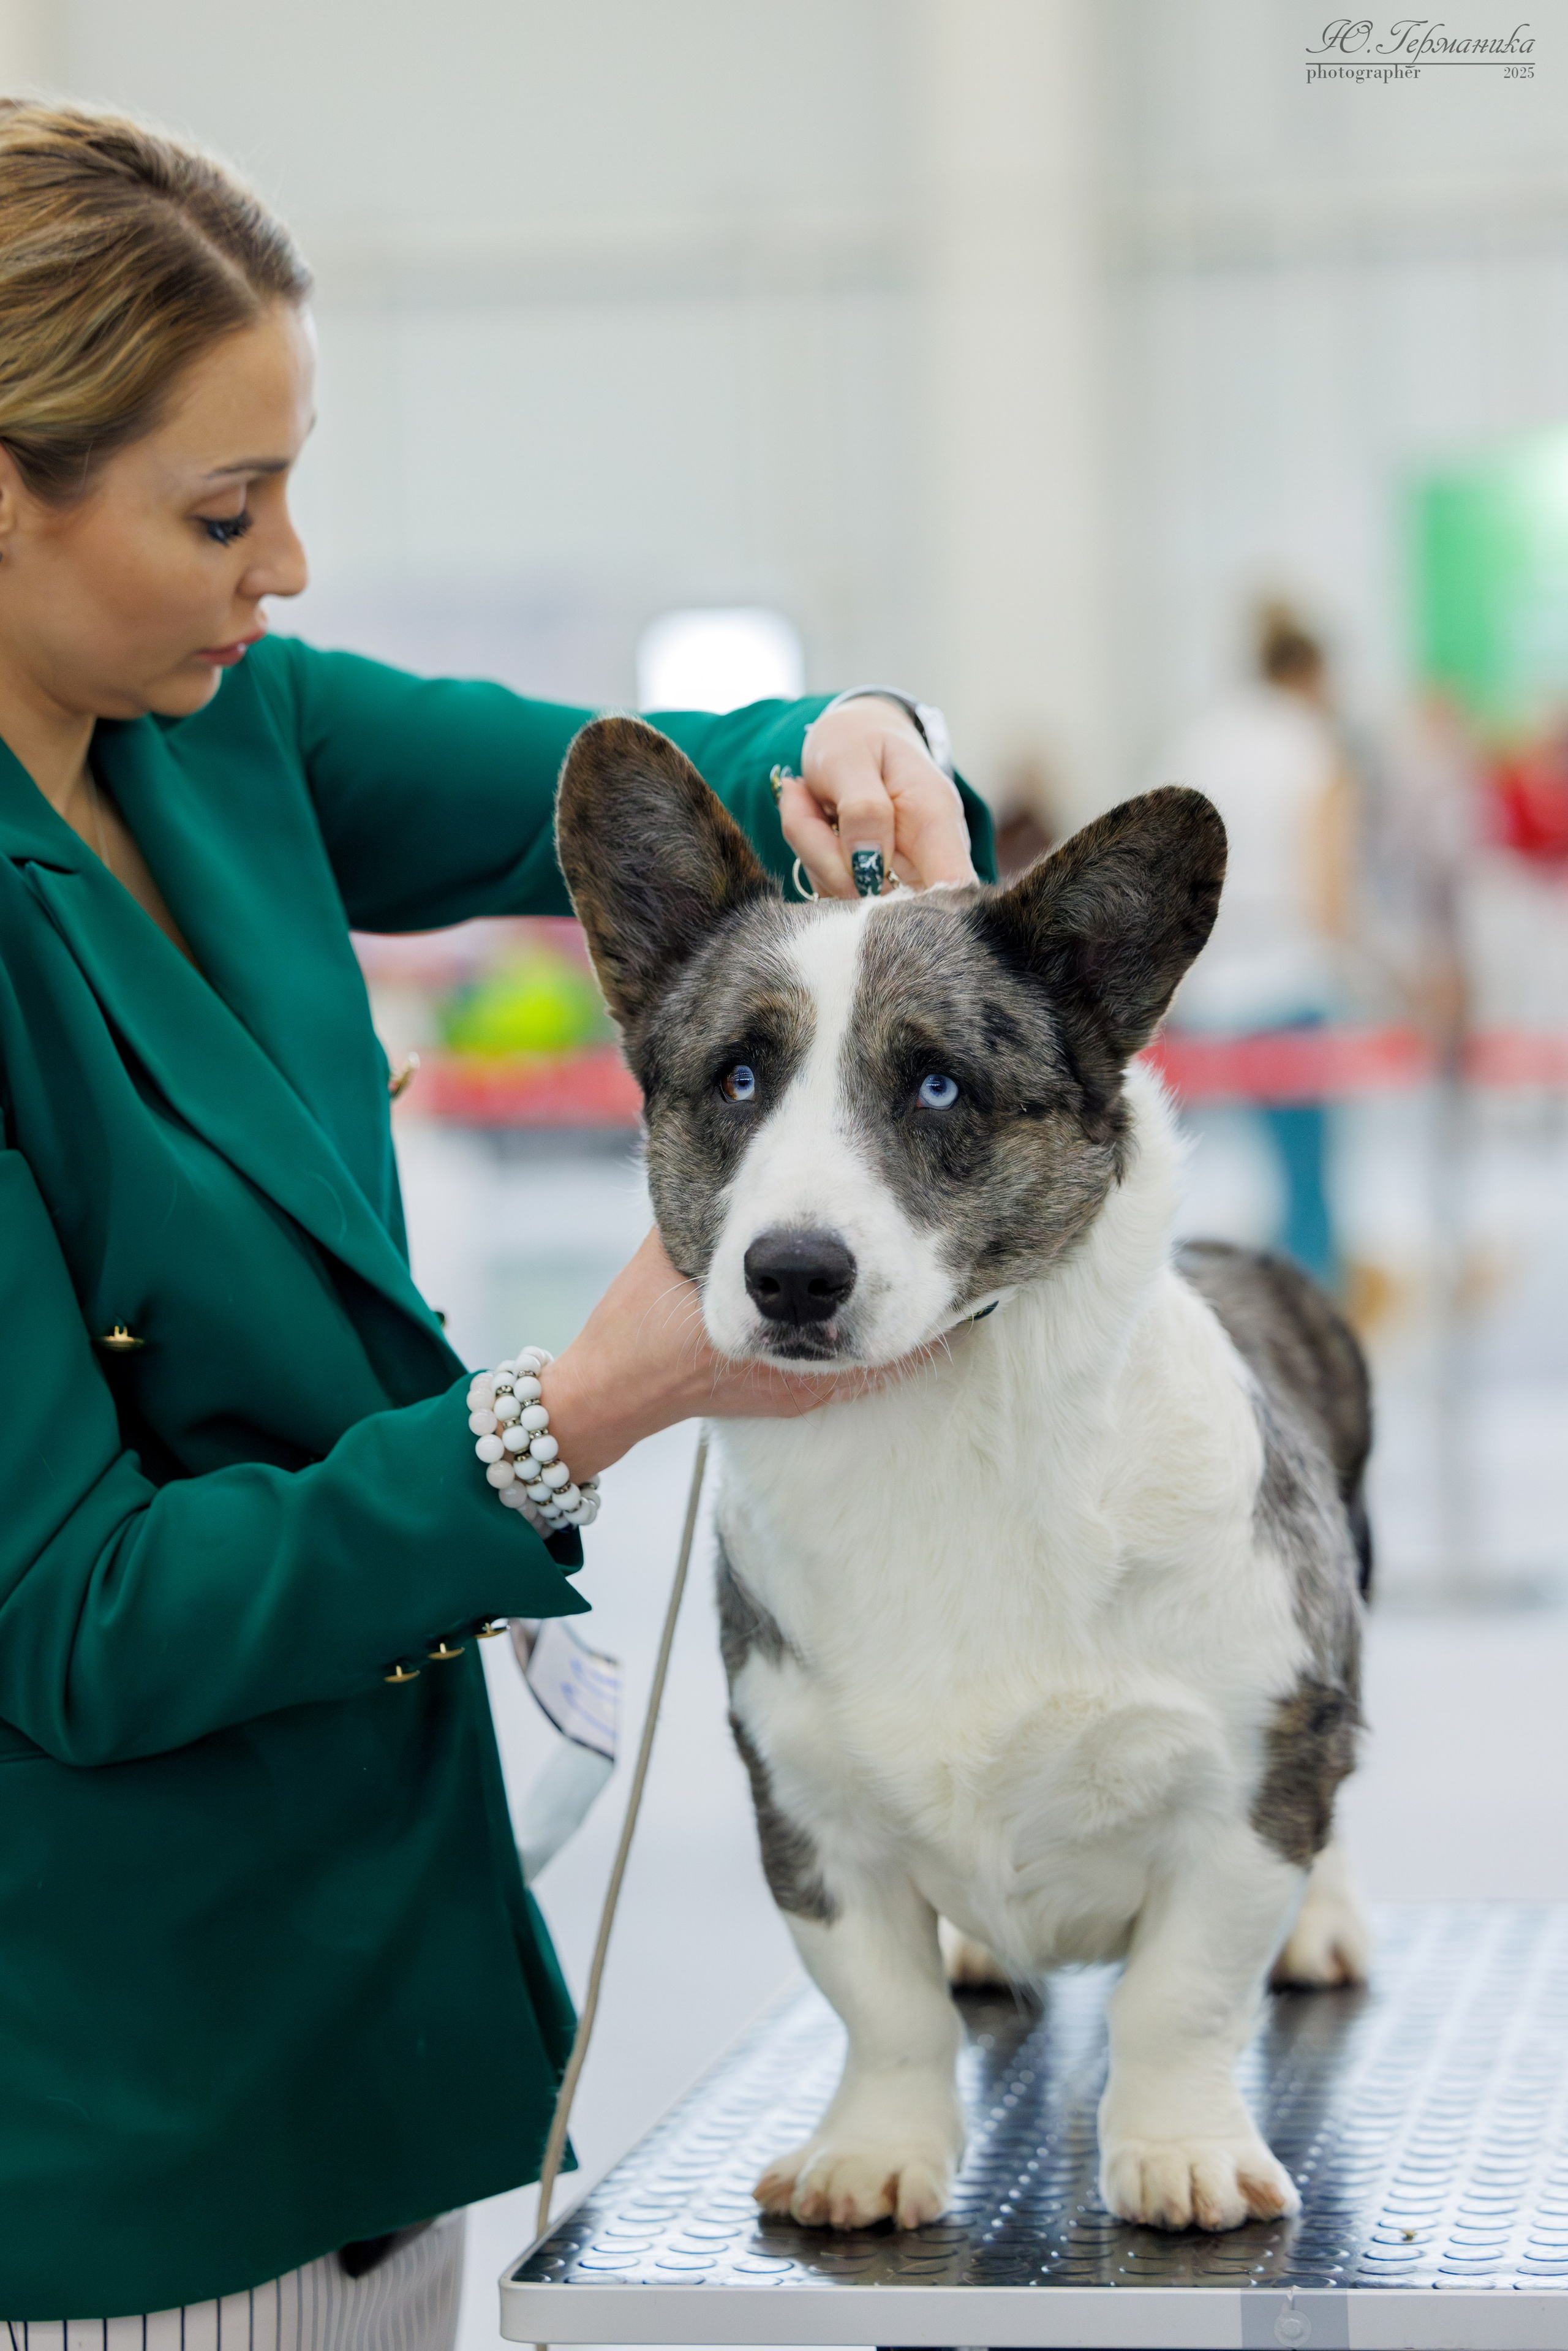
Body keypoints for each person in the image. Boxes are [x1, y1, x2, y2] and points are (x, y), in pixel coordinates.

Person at [0, 100, 992, 2333]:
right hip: (111, 2110)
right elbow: (75, 1614)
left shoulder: (215, 723)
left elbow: (677, 771)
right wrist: (583, 1405)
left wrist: (862, 731)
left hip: (385, 2022)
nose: (291, 572)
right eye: (224, 509)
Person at [1163, 603, 1357, 1288]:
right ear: (1314, 673)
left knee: (1164, 1181)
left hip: (1202, 988)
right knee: (1307, 1192)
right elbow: (1328, 893)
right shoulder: (1314, 746)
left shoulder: (1201, 741)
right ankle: (1315, 1335)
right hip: (1288, 982)